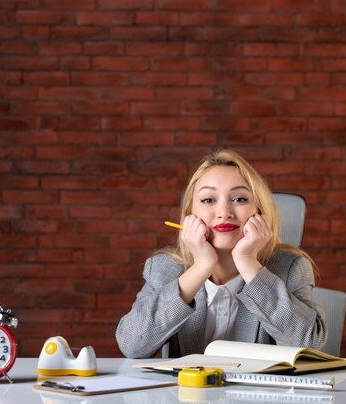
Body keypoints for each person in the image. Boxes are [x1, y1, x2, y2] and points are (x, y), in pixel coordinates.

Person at [115, 149, 327, 358]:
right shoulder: (164, 268)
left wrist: (247, 262)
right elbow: (131, 344)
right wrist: (200, 267)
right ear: (190, 215)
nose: (224, 212)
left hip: (258, 392)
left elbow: (309, 346)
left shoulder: (290, 268)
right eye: (208, 200)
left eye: (240, 199)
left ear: (259, 212)